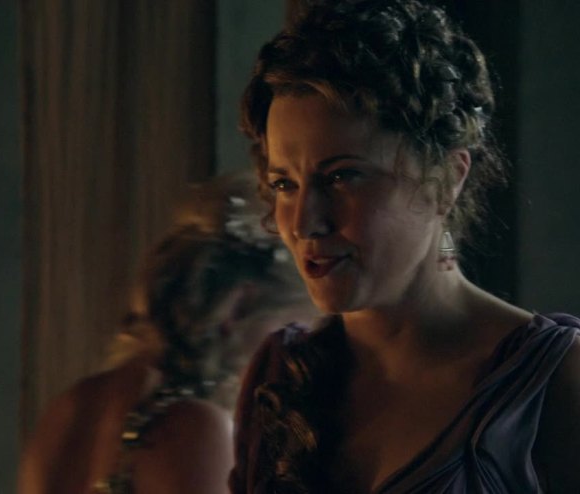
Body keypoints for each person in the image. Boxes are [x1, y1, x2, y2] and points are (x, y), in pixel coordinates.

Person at [229, 1, 580, 492]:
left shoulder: (552, 381)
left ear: (448, 177)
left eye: (342, 176)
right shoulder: (279, 376)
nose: (305, 222)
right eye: (284, 184)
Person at [18, 172, 318, 494]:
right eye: (293, 333)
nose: (294, 360)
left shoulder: (71, 407)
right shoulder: (197, 430)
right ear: (236, 306)